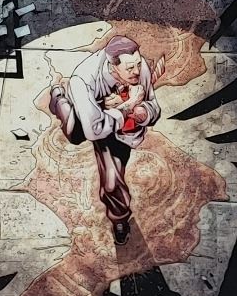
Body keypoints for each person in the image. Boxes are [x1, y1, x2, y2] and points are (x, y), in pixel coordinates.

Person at [47, 36, 163, 244]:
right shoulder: (83, 80)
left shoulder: (139, 67)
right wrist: (127, 106)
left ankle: (119, 219)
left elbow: (153, 106)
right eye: (130, 68)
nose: (137, 71)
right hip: (91, 121)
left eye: (138, 64)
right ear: (112, 66)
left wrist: (142, 112)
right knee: (74, 132)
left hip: (118, 129)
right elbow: (94, 130)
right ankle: (59, 99)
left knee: (111, 182)